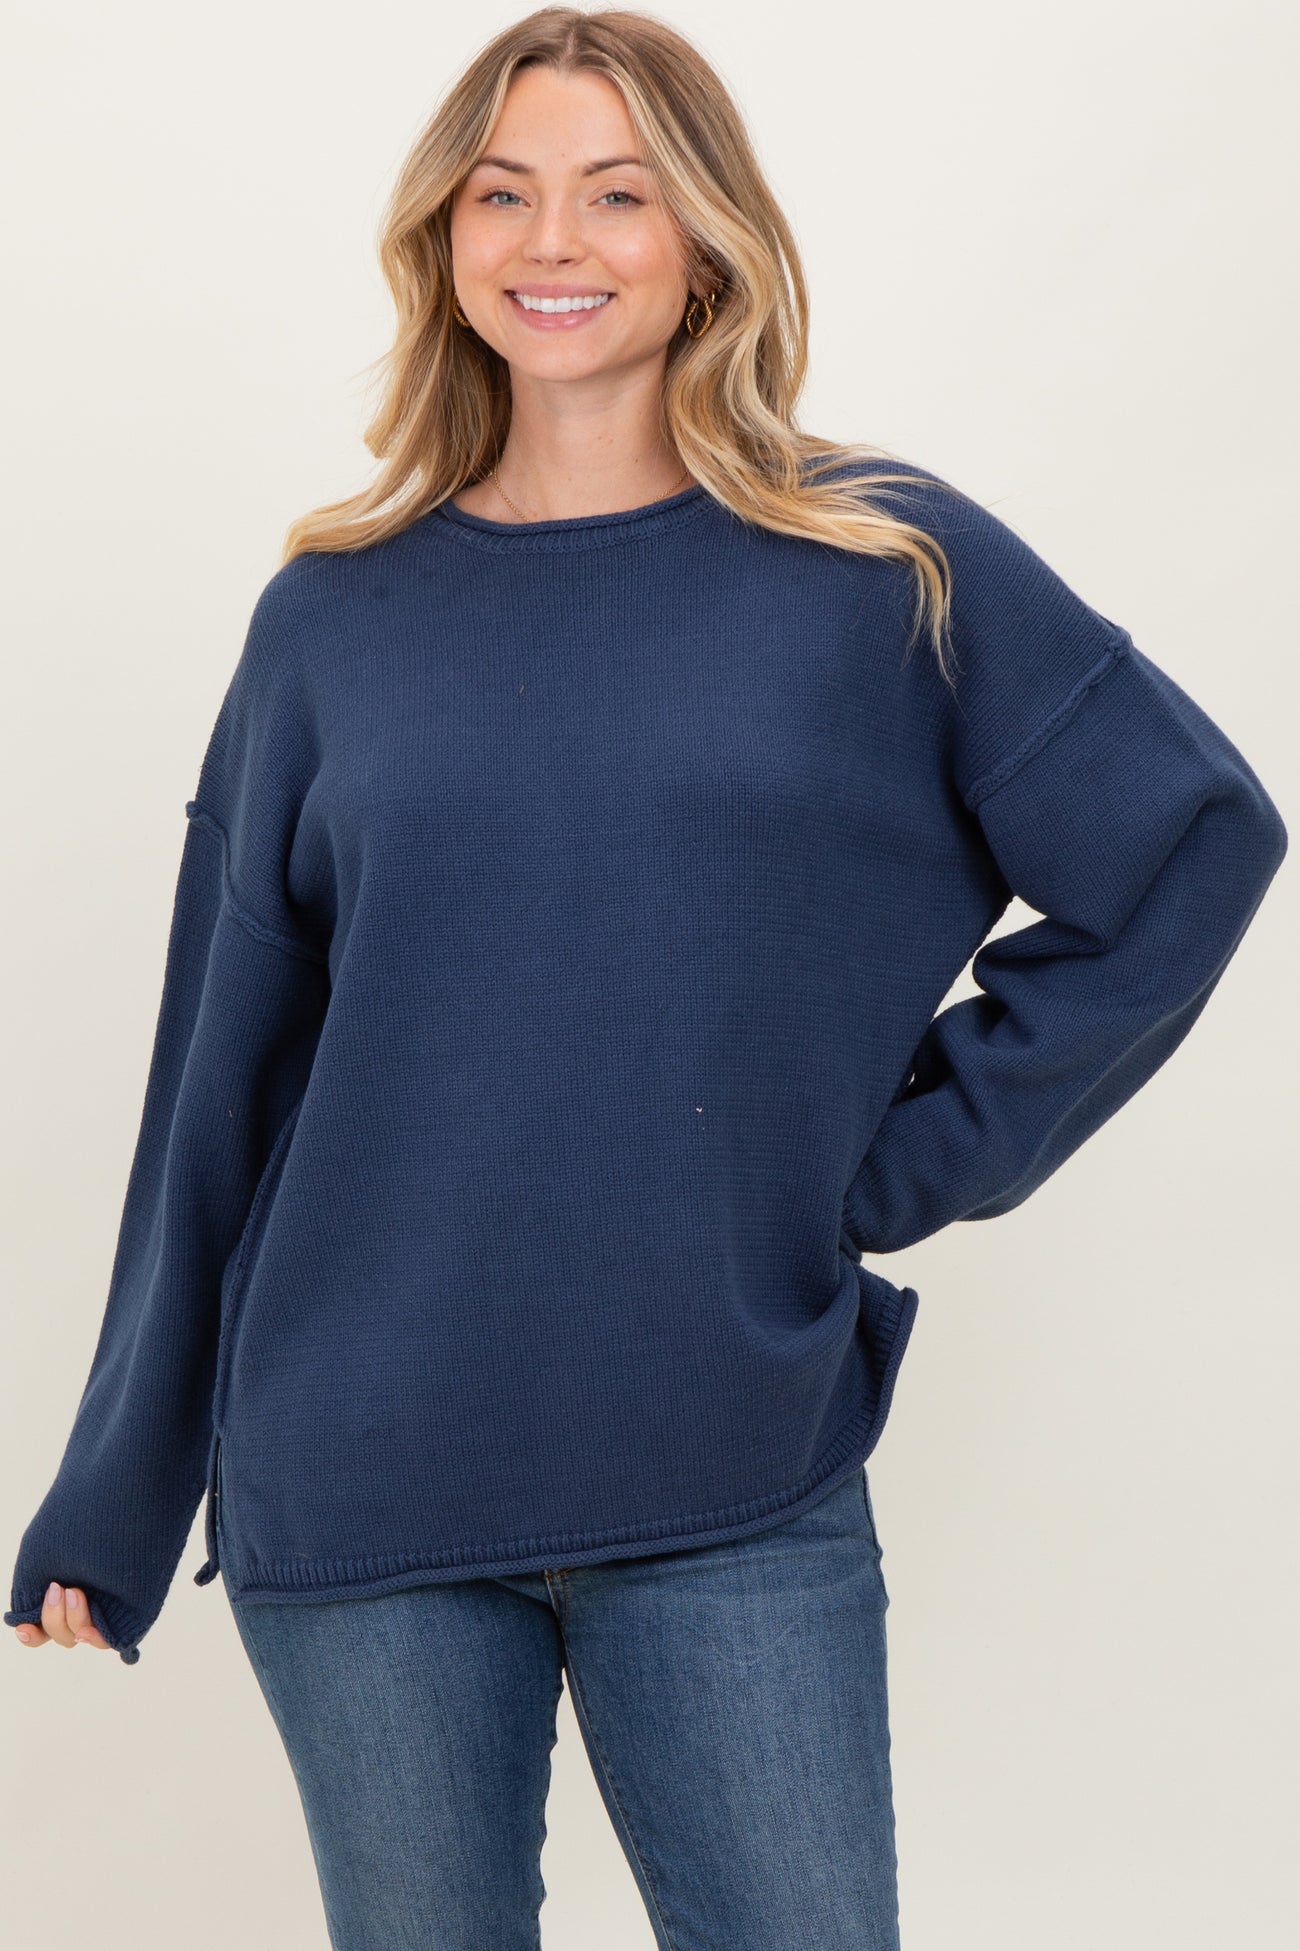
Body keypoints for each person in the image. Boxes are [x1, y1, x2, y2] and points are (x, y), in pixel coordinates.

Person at [6, 9, 1287, 1949]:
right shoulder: (334, 619)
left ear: (705, 237)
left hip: (729, 1464)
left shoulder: (881, 565)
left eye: (617, 193)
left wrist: (887, 1164)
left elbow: (1187, 844)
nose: (555, 240)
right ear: (442, 238)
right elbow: (224, 1077)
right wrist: (119, 1487)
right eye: (501, 193)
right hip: (362, 1476)